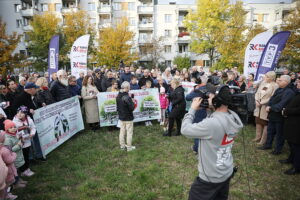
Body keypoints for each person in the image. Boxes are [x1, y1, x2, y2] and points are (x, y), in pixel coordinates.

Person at [181, 85, 243, 200]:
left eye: (209, 97)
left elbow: (185, 129)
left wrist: (192, 109)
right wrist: (210, 111)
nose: (207, 99)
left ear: (216, 101)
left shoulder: (212, 124)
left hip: (210, 178)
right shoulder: (232, 117)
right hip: (226, 171)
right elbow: (216, 127)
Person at [259, 75, 295, 155]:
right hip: (272, 115)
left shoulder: (289, 92)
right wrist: (268, 105)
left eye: (280, 80)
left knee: (279, 134)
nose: (278, 81)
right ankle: (268, 145)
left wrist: (271, 108)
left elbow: (282, 104)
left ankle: (278, 150)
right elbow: (272, 99)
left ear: (286, 82)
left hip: (280, 116)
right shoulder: (279, 89)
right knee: (270, 131)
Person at [280, 79, 300, 175]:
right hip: (291, 122)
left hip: (297, 124)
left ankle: (296, 167)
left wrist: (287, 111)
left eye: (299, 82)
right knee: (291, 143)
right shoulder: (297, 92)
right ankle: (291, 159)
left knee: (297, 146)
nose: (297, 83)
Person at [253, 71, 278, 145]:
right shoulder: (263, 83)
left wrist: (262, 103)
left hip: (265, 106)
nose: (265, 78)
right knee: (258, 121)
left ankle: (263, 140)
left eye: (267, 77)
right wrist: (257, 100)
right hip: (258, 105)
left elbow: (272, 97)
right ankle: (258, 137)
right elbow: (257, 93)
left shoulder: (275, 85)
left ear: (271, 78)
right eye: (265, 76)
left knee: (265, 123)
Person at [3, 120, 28, 189]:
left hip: (17, 156)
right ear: (7, 129)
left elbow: (18, 143)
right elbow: (8, 151)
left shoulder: (14, 135)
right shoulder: (7, 139)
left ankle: (18, 180)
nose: (14, 128)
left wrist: (21, 141)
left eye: (14, 127)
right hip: (13, 159)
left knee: (17, 170)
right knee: (14, 172)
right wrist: (18, 145)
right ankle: (15, 184)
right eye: (11, 127)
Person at [13, 106, 36, 177]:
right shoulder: (14, 122)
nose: (19, 114)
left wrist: (32, 134)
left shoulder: (29, 120)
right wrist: (19, 138)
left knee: (26, 155)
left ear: (25, 114)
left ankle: (27, 168)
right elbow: (13, 132)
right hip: (19, 143)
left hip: (27, 142)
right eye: (18, 112)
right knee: (21, 157)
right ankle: (23, 170)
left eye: (22, 113)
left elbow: (33, 128)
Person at [116, 81, 135, 152]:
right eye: (129, 87)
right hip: (128, 117)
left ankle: (122, 146)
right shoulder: (127, 97)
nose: (129, 89)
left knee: (122, 131)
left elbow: (118, 107)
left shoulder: (118, 95)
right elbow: (132, 108)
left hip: (121, 116)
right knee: (129, 132)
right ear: (126, 88)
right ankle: (129, 147)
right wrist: (132, 101)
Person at [0, 131, 18, 200]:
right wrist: (14, 154)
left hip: (3, 174)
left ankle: (6, 195)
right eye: (4, 136)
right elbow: (9, 160)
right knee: (6, 186)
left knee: (4, 187)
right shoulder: (4, 150)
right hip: (7, 172)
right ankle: (5, 196)